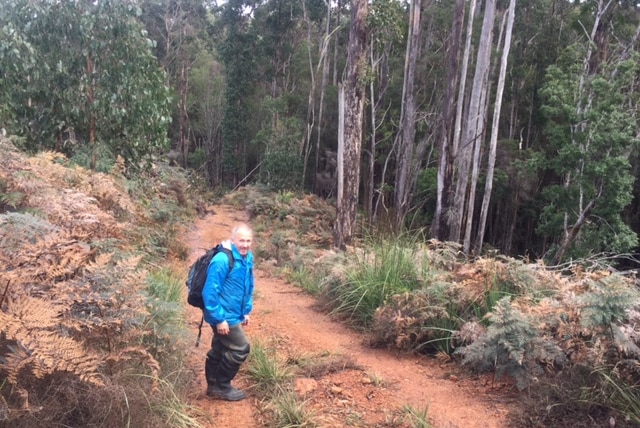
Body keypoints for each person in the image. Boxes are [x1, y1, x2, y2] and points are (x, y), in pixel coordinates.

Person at [202, 223, 254, 401]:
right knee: (241, 348)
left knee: (219, 349)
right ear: (232, 240)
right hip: (224, 315)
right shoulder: (222, 260)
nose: (245, 245)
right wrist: (219, 320)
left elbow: (248, 285)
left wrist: (246, 311)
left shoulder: (247, 257)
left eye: (248, 241)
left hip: (233, 313)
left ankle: (213, 386)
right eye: (241, 240)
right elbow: (209, 293)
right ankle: (222, 386)